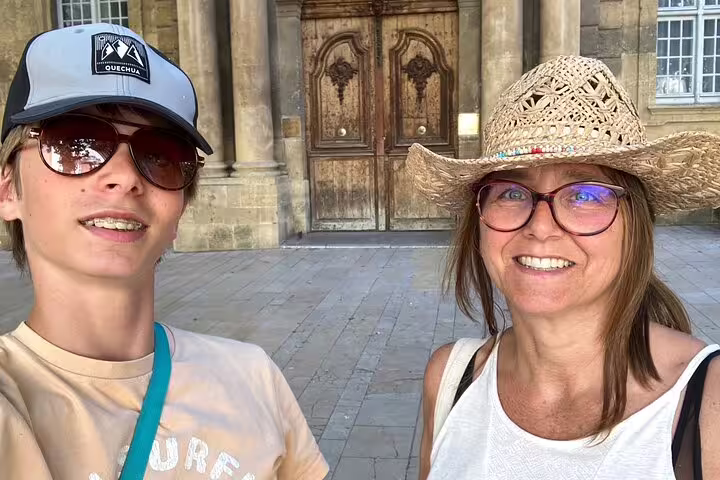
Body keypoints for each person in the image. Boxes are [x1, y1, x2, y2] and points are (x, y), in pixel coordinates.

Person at [0, 24, 328, 480]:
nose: (125, 177)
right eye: (77, 143)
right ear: (8, 190)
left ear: (178, 212)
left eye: (160, 155)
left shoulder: (253, 377)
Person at [407, 56, 720, 479]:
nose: (540, 228)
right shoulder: (449, 380)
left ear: (636, 226)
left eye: (587, 195)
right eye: (510, 192)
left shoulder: (707, 406)